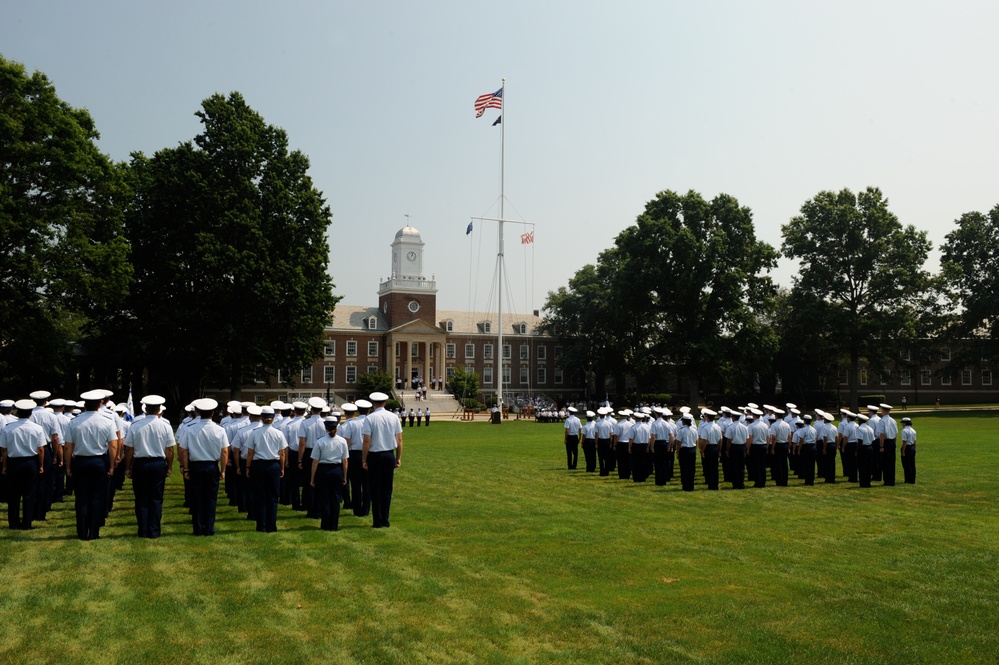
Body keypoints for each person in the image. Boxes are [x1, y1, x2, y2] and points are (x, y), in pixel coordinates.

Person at [63, 390, 119, 540]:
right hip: (99, 461)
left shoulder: (74, 422)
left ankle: (82, 532)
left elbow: (68, 446)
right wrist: (112, 466)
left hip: (80, 461)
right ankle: (94, 532)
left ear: (85, 405)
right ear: (100, 403)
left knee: (81, 498)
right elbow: (113, 446)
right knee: (96, 497)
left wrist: (68, 466)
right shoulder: (107, 421)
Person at [123, 395, 175, 538]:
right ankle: (154, 530)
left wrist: (128, 467)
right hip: (158, 463)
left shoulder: (135, 426)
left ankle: (143, 530)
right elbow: (170, 449)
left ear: (145, 409)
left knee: (141, 498)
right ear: (159, 409)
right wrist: (169, 467)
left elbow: (129, 449)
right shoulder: (165, 426)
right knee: (156, 498)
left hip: (140, 463)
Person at [178, 398, 229, 535]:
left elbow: (184, 450)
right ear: (213, 413)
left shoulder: (190, 429)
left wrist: (186, 468)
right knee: (211, 498)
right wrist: (223, 470)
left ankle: (198, 528)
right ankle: (209, 528)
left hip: (196, 466)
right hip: (212, 466)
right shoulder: (219, 429)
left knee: (197, 498)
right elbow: (224, 451)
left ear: (198, 412)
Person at [1, 399, 46, 530]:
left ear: (17, 413)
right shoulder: (37, 428)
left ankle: (14, 523)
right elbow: (41, 449)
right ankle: (27, 523)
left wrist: (4, 466)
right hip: (30, 462)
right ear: (31, 413)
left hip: (14, 462)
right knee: (29, 494)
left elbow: (4, 449)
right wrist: (41, 465)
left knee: (13, 495)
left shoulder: (7, 429)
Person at [361, 392, 403, 528]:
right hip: (389, 454)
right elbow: (399, 440)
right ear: (385, 403)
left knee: (375, 488)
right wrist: (398, 458)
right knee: (387, 489)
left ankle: (377, 520)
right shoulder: (393, 417)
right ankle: (385, 519)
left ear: (373, 404)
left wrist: (364, 459)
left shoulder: (370, 418)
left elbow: (366, 441)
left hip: (375, 455)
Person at [246, 406, 288, 533]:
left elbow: (250, 453)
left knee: (260, 497)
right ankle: (271, 526)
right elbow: (282, 454)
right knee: (273, 497)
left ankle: (261, 525)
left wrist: (247, 467)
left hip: (258, 466)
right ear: (273, 418)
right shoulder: (279, 433)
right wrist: (282, 467)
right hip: (273, 465)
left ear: (262, 418)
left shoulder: (255, 432)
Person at [311, 416, 349, 531]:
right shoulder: (342, 441)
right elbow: (345, 460)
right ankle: (334, 525)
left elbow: (315, 461)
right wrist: (344, 476)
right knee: (335, 498)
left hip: (323, 471)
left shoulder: (320, 441)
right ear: (337, 427)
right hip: (337, 470)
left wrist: (312, 478)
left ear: (326, 427)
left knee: (324, 498)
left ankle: (325, 524)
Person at [343, 401, 371, 517]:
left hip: (354, 454)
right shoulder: (371, 421)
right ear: (368, 411)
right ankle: (366, 509)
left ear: (358, 411)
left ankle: (357, 509)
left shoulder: (352, 423)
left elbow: (347, 441)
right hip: (369, 453)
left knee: (355, 483)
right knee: (367, 484)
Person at [697, 409, 722, 490]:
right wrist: (719, 449)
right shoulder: (717, 427)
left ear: (707, 417)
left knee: (709, 467)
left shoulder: (705, 428)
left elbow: (704, 441)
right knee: (715, 467)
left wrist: (702, 450)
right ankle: (715, 484)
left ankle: (711, 484)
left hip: (708, 448)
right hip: (715, 447)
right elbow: (720, 440)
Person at [877, 403, 899, 486]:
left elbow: (881, 434)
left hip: (886, 442)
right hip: (892, 441)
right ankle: (892, 480)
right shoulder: (893, 420)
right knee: (892, 462)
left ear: (884, 411)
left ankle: (887, 480)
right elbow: (896, 433)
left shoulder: (882, 421)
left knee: (886, 462)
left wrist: (881, 446)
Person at [675, 415, 699, 491]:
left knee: (684, 468)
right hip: (692, 450)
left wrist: (678, 453)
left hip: (684, 450)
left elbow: (678, 443)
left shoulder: (681, 431)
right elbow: (696, 441)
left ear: (684, 422)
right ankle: (691, 486)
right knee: (691, 468)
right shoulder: (694, 430)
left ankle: (685, 486)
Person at [855, 414, 876, 488]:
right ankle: (868, 482)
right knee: (869, 465)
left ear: (860, 421)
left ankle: (863, 483)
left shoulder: (860, 429)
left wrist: (857, 451)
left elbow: (860, 441)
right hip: (870, 447)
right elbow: (873, 440)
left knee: (862, 466)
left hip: (863, 448)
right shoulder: (870, 428)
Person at [900, 417, 917, 484]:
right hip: (912, 447)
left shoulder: (904, 431)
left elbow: (904, 442)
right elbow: (915, 441)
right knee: (912, 464)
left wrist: (903, 451)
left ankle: (907, 479)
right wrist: (914, 449)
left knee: (906, 464)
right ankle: (912, 479)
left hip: (907, 448)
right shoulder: (913, 430)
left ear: (904, 423)